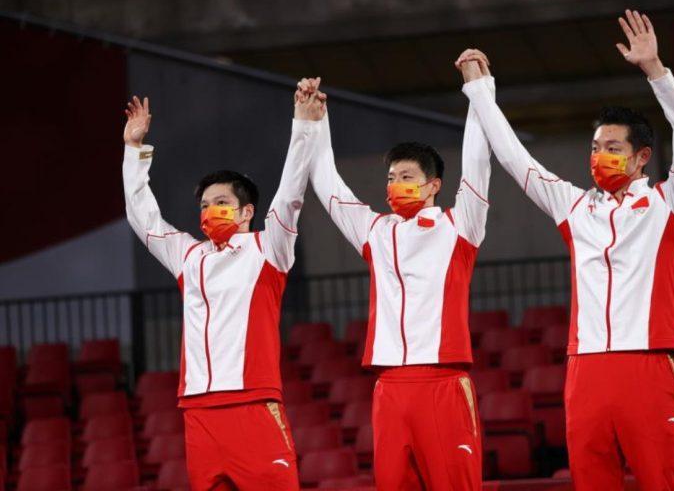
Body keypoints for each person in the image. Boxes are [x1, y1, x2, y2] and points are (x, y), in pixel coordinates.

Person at [458, 10, 674, 490]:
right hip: (585, 370)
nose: (599, 156)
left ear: (642, 157)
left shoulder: (673, 202)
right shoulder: (574, 207)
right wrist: (480, 91)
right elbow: (514, 158)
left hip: (649, 365)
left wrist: (655, 70)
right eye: (595, 147)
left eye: (612, 147)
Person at [299, 53, 492, 490]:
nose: (394, 185)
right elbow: (327, 184)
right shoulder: (376, 232)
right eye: (390, 178)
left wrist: (478, 90)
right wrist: (316, 123)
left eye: (405, 176)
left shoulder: (460, 225)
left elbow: (478, 163)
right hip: (388, 386)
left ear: (433, 185)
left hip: (443, 381)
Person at [122, 82, 327, 490]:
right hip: (198, 411)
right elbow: (142, 216)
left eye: (220, 203)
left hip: (253, 403)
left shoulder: (269, 248)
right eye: (203, 205)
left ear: (246, 211)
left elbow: (290, 195)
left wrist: (303, 126)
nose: (209, 211)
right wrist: (134, 150)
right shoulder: (188, 255)